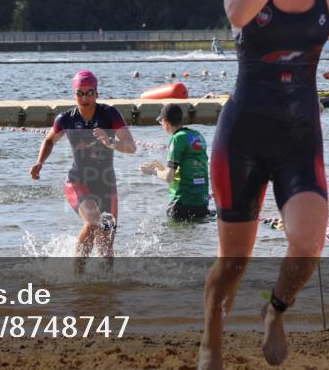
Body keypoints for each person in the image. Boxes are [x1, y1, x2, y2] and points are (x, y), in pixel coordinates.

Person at [200, 0, 329, 370]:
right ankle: (212, 344)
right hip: (243, 133)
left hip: (298, 134)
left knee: (308, 242)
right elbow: (239, 14)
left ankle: (276, 310)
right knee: (232, 263)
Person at [31, 70, 136, 266]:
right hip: (77, 182)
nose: (85, 97)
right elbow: (49, 140)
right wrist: (40, 162)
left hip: (106, 184)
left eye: (90, 92)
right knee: (93, 221)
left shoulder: (109, 114)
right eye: (80, 93)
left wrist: (109, 141)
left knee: (106, 249)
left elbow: (131, 147)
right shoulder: (66, 119)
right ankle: (76, 276)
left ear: (97, 93)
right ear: (74, 95)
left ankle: (105, 290)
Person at [140, 103, 211, 221]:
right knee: (194, 238)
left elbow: (169, 177)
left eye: (160, 123)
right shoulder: (197, 135)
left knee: (174, 238)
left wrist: (154, 171)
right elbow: (187, 171)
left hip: (181, 203)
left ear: (166, 123)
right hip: (202, 203)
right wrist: (162, 167)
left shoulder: (177, 138)